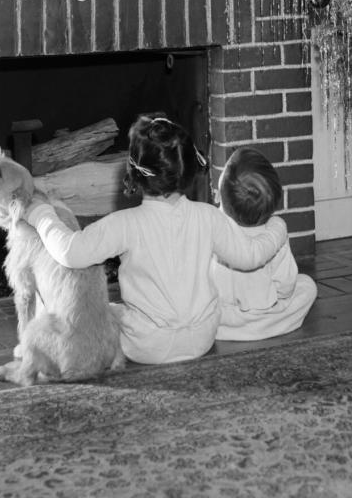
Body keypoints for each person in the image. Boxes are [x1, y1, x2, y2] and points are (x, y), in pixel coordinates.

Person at [21, 114, 287, 364]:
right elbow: (251, 257)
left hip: (147, 346)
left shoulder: (125, 223)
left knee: (103, 312)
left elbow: (71, 252)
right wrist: (278, 227)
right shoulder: (209, 216)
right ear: (188, 170)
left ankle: (43, 347)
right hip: (202, 338)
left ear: (134, 172)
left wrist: (41, 213)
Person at [211, 146, 317, 341]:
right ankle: (264, 327)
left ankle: (232, 330)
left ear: (223, 198)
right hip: (267, 314)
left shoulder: (213, 229)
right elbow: (285, 287)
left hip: (223, 317)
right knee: (307, 286)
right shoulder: (274, 235)